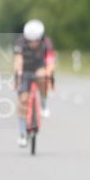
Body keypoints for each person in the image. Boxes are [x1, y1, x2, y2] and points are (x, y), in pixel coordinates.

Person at [13, 19, 55, 147]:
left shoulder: (47, 43)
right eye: (30, 41)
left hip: (40, 68)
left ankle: (44, 104)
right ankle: (22, 134)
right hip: (25, 70)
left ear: (41, 38)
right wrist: (18, 75)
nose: (33, 43)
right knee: (23, 100)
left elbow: (50, 62)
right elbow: (18, 60)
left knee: (42, 76)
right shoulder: (20, 42)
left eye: (35, 40)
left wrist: (48, 73)